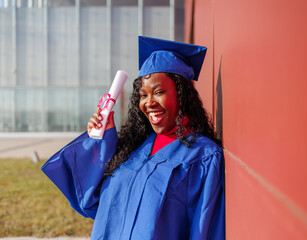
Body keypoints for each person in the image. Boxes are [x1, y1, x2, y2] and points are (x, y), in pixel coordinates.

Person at [42, 36, 225, 240]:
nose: (149, 102)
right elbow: (91, 201)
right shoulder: (135, 147)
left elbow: (205, 230)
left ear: (182, 94)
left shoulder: (203, 157)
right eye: (143, 95)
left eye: (159, 92)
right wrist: (103, 140)